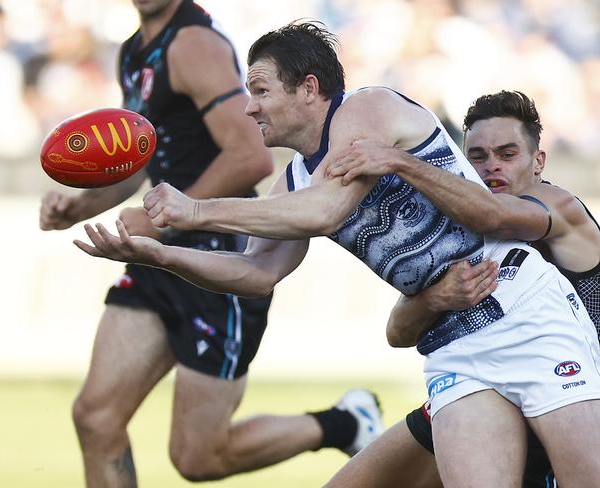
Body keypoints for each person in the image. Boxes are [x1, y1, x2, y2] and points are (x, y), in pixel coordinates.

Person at [74, 21, 600, 487]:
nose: (249, 105)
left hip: (522, 308)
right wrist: (163, 256)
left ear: (309, 89)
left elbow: (325, 211)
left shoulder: (365, 109)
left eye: (259, 90)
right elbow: (256, 273)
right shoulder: (294, 183)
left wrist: (196, 212)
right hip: (452, 345)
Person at [40, 5, 383, 486]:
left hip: (218, 260)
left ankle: (345, 423)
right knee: (95, 416)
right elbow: (140, 159)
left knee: (197, 457)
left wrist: (163, 220)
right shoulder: (134, 50)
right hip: (157, 256)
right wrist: (79, 207)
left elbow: (249, 155)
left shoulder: (192, 44)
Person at [323, 90, 600, 488]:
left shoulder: (555, 206)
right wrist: (438, 297)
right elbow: (397, 332)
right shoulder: (459, 226)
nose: (492, 169)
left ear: (538, 161)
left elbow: (494, 214)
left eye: (507, 154)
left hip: (570, 392)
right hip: (481, 392)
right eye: (478, 157)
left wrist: (399, 160)